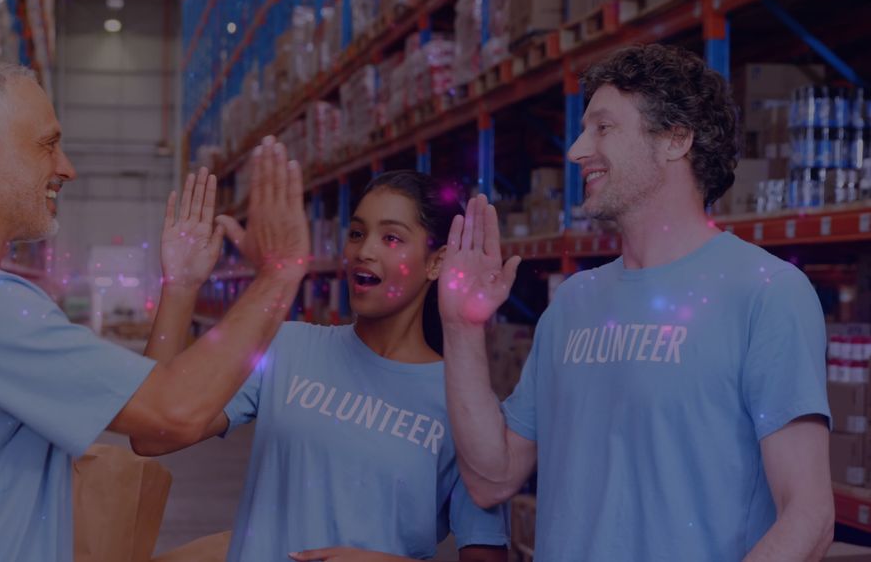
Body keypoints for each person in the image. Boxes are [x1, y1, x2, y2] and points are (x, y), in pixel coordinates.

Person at [0, 58, 311, 561]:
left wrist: (180, 286)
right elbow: (175, 413)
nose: (66, 168)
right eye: (47, 144)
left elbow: (150, 423)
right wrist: (279, 274)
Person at [438, 44, 834, 561]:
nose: (577, 150)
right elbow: (492, 478)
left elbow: (808, 515)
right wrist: (462, 327)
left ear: (676, 139)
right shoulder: (572, 303)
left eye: (603, 128)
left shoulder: (766, 293)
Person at [146, 170, 509, 562]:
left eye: (391, 238)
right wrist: (180, 288)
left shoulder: (465, 404)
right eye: (356, 233)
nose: (364, 251)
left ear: (436, 262)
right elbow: (153, 432)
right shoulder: (284, 347)